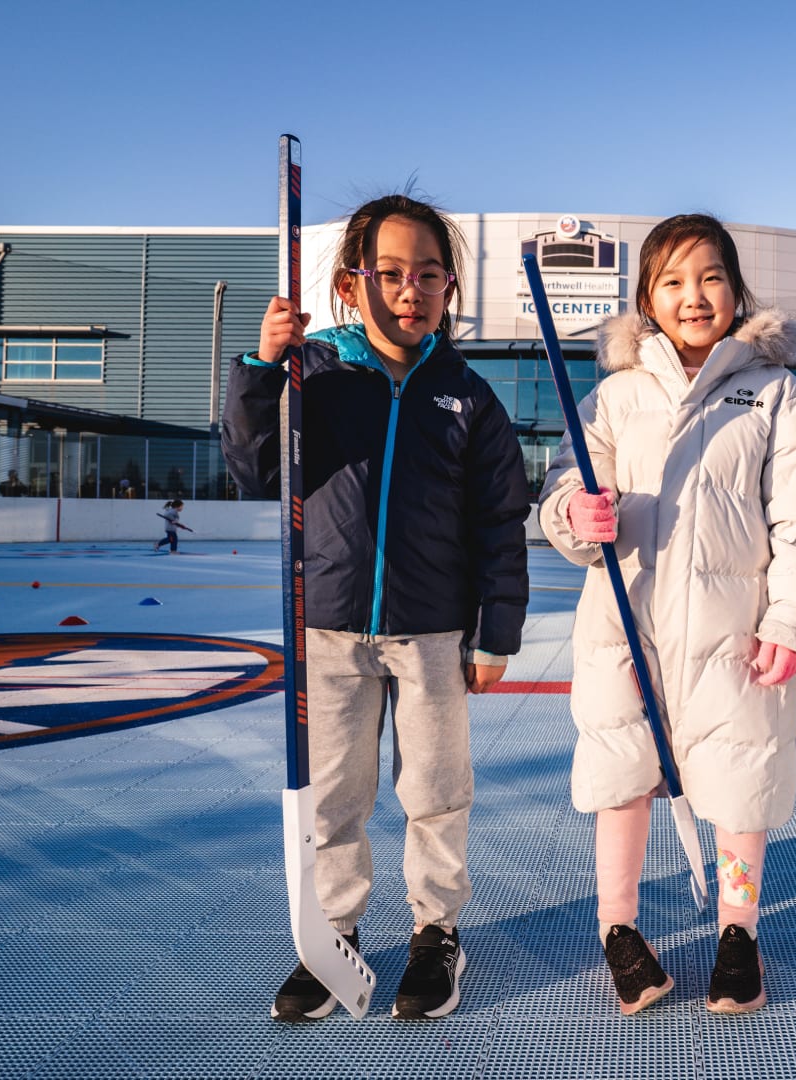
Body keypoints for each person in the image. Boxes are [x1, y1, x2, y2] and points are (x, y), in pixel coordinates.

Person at [222, 192, 532, 1022]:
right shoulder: (313, 376)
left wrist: (495, 633)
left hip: (432, 630)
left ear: (449, 288)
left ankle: (437, 932)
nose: (410, 290)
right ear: (350, 284)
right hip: (328, 626)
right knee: (334, 795)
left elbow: (501, 521)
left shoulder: (468, 396)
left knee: (435, 789)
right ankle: (333, 935)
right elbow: (254, 472)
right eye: (390, 272)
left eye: (429, 274)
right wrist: (261, 369)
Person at [537, 213, 796, 1016]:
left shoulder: (774, 393)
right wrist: (576, 514)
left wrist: (791, 619)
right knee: (621, 778)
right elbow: (567, 484)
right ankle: (619, 929)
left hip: (731, 631)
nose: (694, 296)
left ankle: (738, 931)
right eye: (672, 281)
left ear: (736, 290)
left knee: (741, 782)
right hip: (626, 625)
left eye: (711, 277)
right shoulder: (615, 396)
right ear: (647, 299)